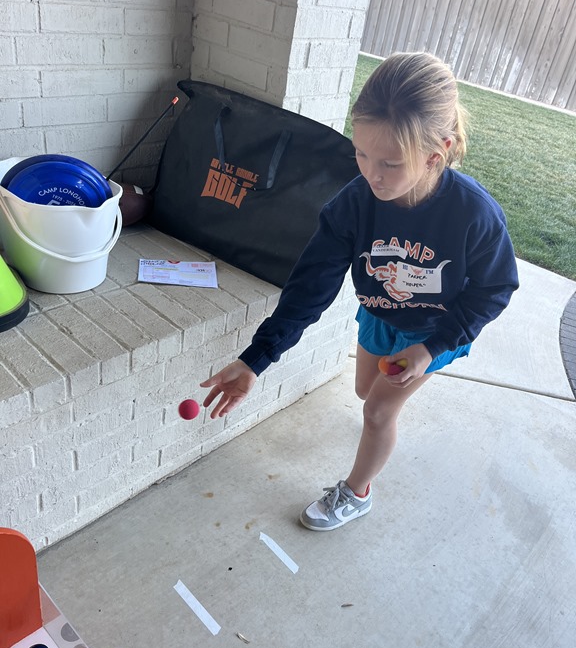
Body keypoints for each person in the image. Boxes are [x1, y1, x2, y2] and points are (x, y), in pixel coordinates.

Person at [200, 51, 519, 532]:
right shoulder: (352, 204)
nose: (372, 175)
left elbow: (495, 288)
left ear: (436, 154)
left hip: (438, 327)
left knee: (377, 411)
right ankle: (383, 417)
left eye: (390, 163)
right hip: (380, 313)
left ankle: (356, 493)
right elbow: (309, 288)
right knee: (365, 389)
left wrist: (431, 348)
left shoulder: (474, 214)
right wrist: (256, 359)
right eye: (361, 154)